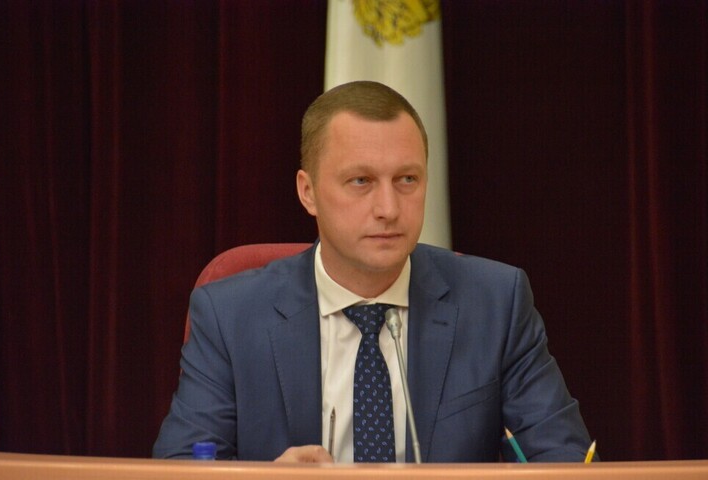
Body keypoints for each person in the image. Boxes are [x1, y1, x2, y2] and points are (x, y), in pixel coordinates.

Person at [153, 81, 593, 463]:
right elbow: (182, 465)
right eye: (361, 181)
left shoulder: (496, 304)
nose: (388, 209)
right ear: (308, 192)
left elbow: (565, 461)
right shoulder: (230, 315)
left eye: (407, 180)